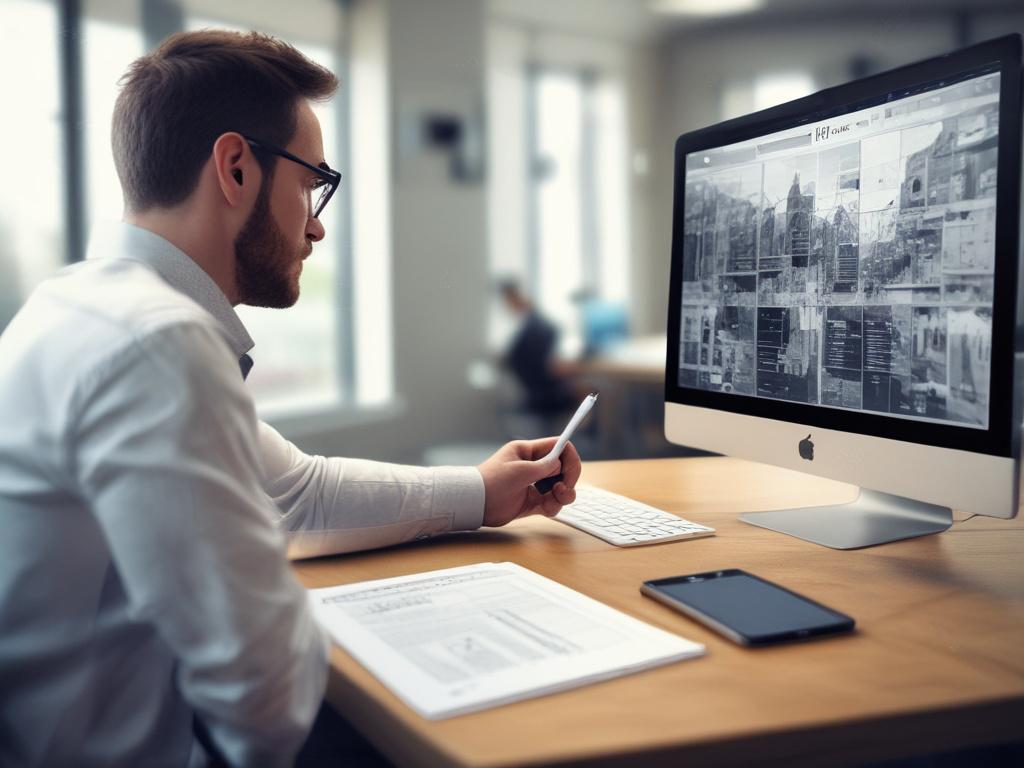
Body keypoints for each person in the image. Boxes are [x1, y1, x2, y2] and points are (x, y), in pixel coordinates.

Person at [0, 30, 580, 767]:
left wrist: (483, 493)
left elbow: (295, 493)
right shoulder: (156, 345)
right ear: (236, 168)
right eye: (311, 182)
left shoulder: (79, 306)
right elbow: (264, 695)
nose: (316, 222)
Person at [498, 279, 579, 428]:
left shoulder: (530, 326)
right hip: (544, 392)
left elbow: (510, 360)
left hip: (537, 392)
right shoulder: (536, 324)